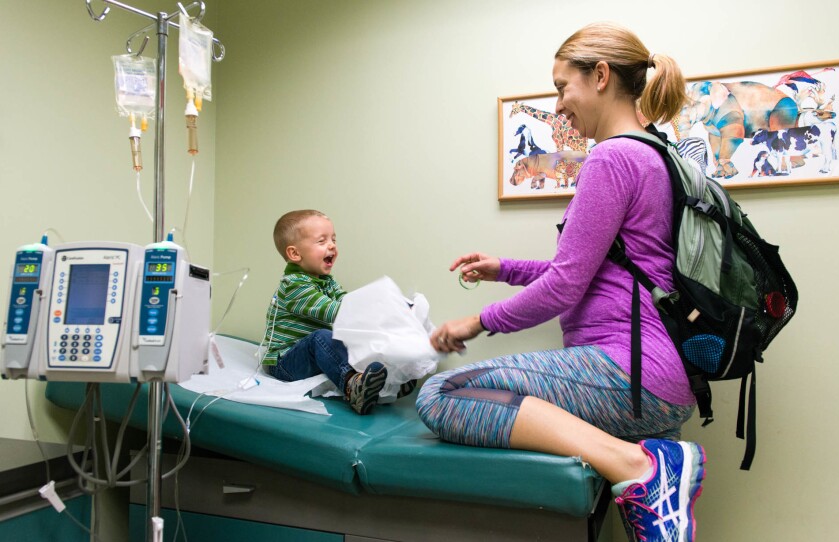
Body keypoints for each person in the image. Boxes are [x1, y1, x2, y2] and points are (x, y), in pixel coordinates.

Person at [416, 22, 705, 541]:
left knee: (442, 392)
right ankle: (650, 465)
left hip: (625, 369)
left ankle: (643, 468)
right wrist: (504, 269)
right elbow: (596, 269)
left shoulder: (613, 157)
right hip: (660, 376)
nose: (558, 105)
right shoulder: (656, 155)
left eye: (560, 86)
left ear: (599, 76)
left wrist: (477, 323)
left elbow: (565, 287)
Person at [262, 210, 411, 414]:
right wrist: (378, 309)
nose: (332, 245)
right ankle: (353, 387)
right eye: (322, 241)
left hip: (308, 358)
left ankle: (388, 385)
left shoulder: (327, 282)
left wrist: (389, 309)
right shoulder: (294, 285)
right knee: (321, 338)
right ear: (295, 254)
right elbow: (335, 311)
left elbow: (348, 301)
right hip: (284, 363)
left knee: (351, 337)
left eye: (333, 239)